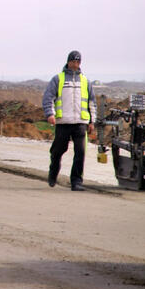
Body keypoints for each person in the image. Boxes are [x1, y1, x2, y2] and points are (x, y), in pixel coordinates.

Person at [42, 50, 97, 191]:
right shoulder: (58, 79)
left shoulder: (85, 81)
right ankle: (53, 172)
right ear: (68, 62)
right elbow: (48, 97)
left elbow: (92, 103)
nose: (75, 64)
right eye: (73, 61)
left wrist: (92, 122)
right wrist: (50, 114)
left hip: (80, 123)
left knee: (80, 152)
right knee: (58, 151)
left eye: (78, 62)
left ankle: (76, 182)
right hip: (63, 122)